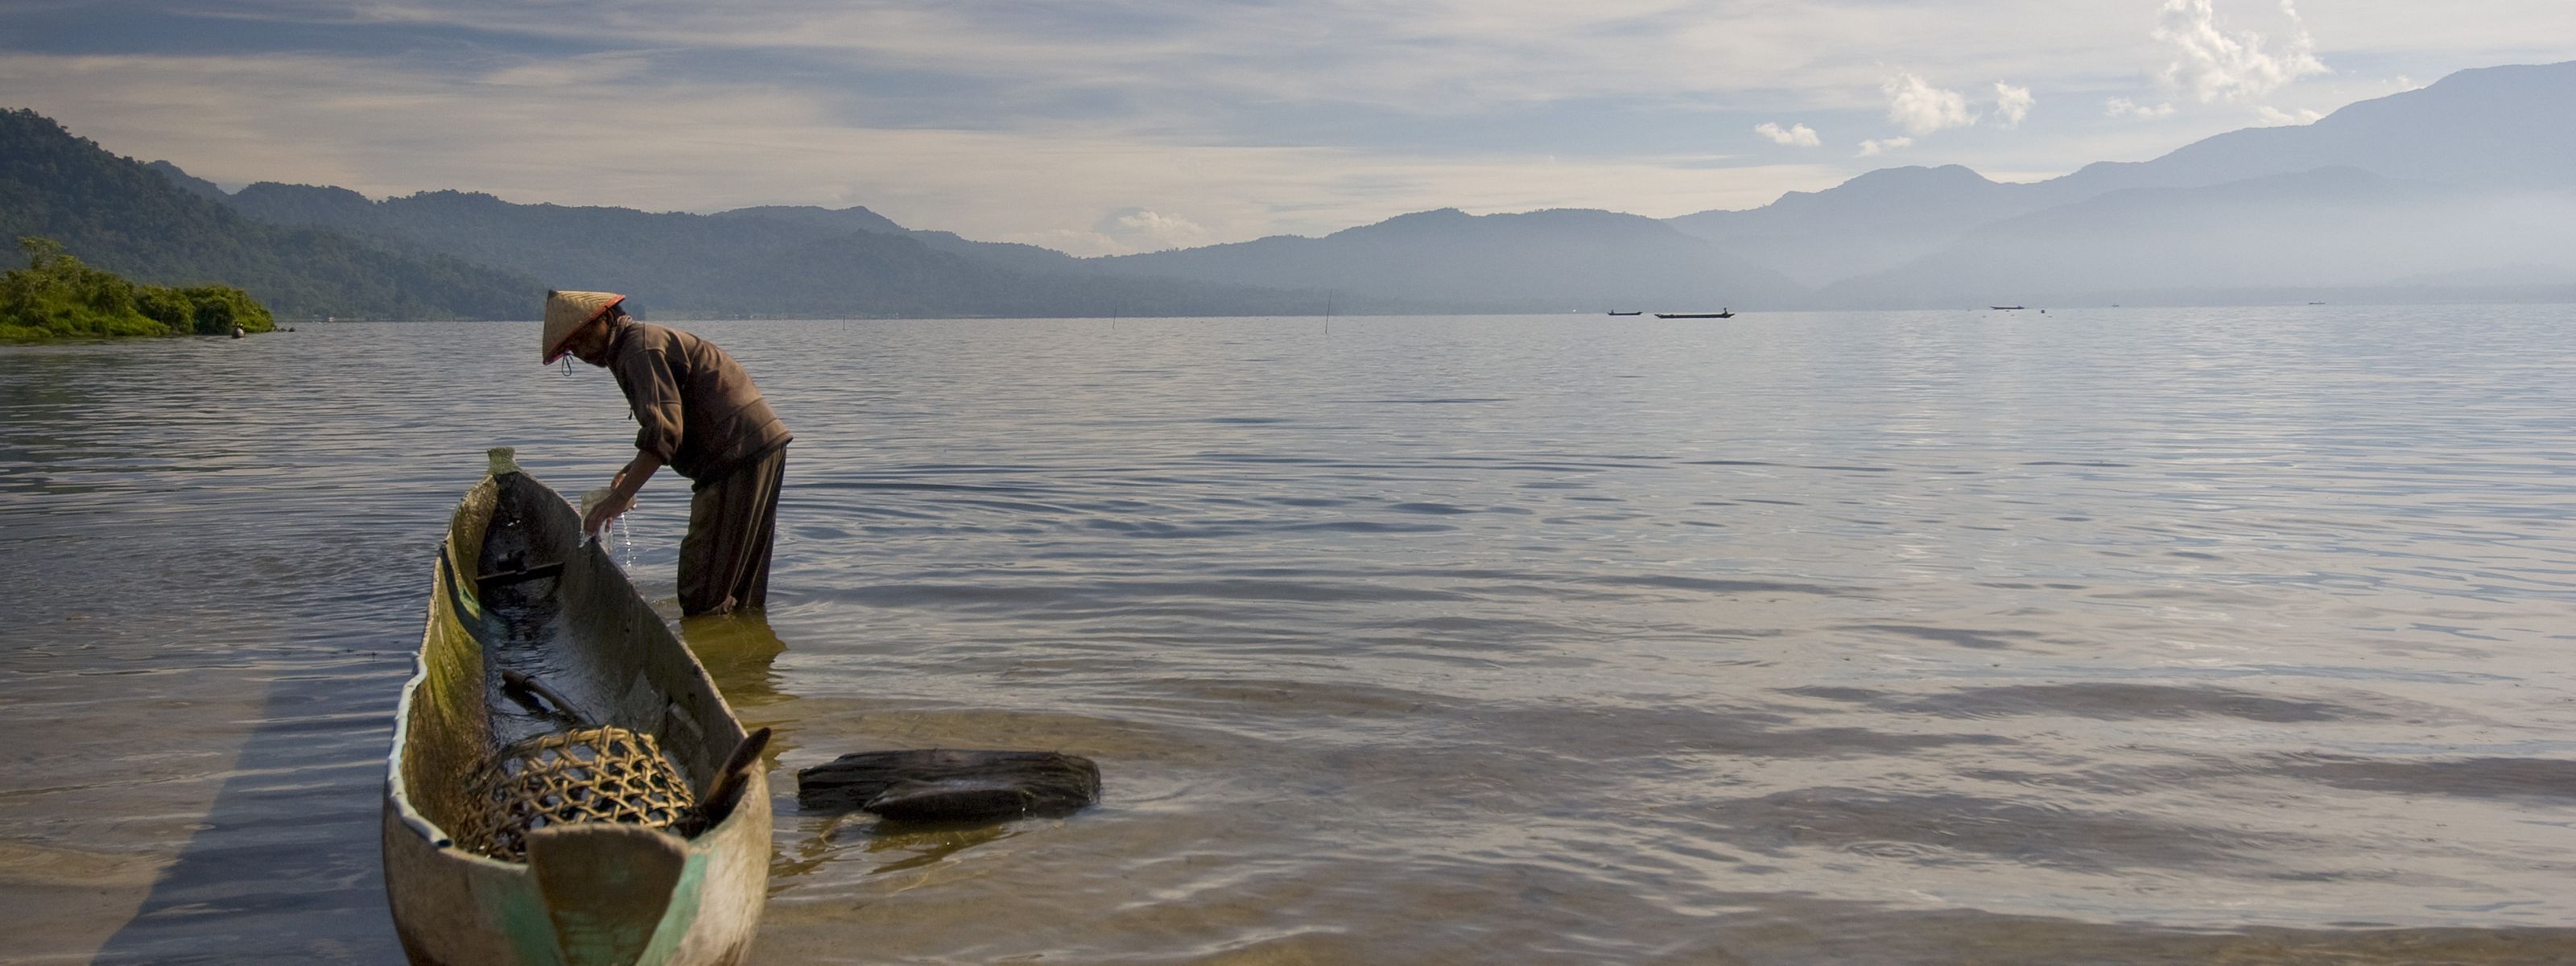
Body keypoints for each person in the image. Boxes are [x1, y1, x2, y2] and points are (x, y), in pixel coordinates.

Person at [541, 290, 792, 616]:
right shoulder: (635, 344)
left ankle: (714, 652)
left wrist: (619, 499)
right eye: (571, 349)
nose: (581, 351)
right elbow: (673, 421)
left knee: (701, 591)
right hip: (757, 444)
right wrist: (632, 469)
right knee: (740, 587)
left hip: (735, 453)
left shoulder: (636, 349)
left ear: (604, 319)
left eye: (581, 337)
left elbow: (664, 432)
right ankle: (746, 656)